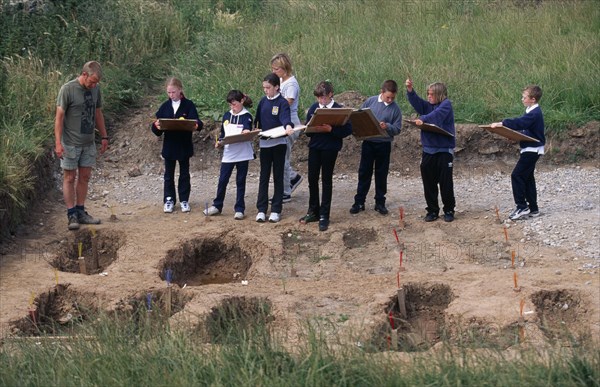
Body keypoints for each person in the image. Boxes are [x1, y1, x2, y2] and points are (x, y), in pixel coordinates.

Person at [54, 61, 109, 230]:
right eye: (91, 81)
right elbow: (59, 117)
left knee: (85, 177)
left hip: (88, 142)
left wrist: (104, 136)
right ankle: (71, 214)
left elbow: (98, 112)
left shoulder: (96, 90)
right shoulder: (67, 89)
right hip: (70, 143)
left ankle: (81, 210)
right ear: (84, 75)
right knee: (69, 177)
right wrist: (58, 143)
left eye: (96, 83)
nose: (93, 85)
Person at [300, 81, 352, 231]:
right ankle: (313, 211)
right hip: (315, 147)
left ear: (330, 95)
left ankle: (324, 215)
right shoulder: (314, 108)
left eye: (324, 98)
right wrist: (311, 127)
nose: (321, 101)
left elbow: (347, 130)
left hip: (330, 148)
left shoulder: (339, 109)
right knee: (312, 178)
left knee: (326, 180)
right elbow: (307, 132)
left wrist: (331, 129)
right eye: (319, 98)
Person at [490, 85, 545, 220]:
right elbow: (527, 130)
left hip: (532, 150)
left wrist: (503, 123)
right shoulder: (530, 111)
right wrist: (515, 136)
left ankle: (522, 207)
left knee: (517, 175)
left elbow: (521, 123)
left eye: (524, 97)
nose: (522, 99)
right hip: (531, 148)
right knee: (527, 178)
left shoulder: (534, 113)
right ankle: (533, 209)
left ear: (532, 99)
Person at [406, 79, 456, 222]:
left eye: (431, 94)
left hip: (444, 151)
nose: (428, 97)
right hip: (428, 151)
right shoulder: (429, 105)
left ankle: (449, 210)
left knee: (445, 182)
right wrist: (410, 91)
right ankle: (432, 210)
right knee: (429, 182)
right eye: (428, 94)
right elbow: (418, 103)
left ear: (439, 95)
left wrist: (423, 119)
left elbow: (437, 116)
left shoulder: (446, 105)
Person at [350, 80, 402, 216]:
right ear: (382, 92)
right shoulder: (370, 102)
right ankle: (359, 202)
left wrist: (388, 127)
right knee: (364, 173)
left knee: (381, 174)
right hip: (368, 143)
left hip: (384, 144)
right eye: (388, 97)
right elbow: (359, 115)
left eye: (392, 97)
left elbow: (397, 129)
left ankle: (380, 203)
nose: (390, 100)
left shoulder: (395, 109)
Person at [151, 77, 202, 213]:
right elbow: (156, 129)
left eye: (173, 92)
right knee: (169, 174)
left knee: (184, 174)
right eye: (169, 93)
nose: (171, 95)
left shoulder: (188, 105)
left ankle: (184, 199)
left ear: (180, 90)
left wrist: (196, 125)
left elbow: (197, 122)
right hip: (169, 145)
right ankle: (169, 200)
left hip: (184, 144)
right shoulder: (165, 106)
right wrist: (156, 126)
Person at [204, 90, 254, 220]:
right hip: (229, 153)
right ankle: (217, 205)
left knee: (240, 181)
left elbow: (248, 127)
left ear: (242, 101)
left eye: (234, 104)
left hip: (242, 154)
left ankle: (239, 208)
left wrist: (247, 131)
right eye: (230, 105)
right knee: (223, 180)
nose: (232, 107)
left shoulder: (247, 115)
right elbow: (222, 133)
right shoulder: (227, 115)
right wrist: (219, 142)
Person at [255, 73, 295, 223]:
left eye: (268, 87)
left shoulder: (282, 102)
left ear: (276, 87)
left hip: (279, 144)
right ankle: (261, 209)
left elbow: (285, 118)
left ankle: (276, 209)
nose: (265, 90)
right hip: (265, 144)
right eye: (264, 87)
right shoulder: (262, 102)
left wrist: (288, 126)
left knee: (278, 176)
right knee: (264, 176)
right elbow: (257, 121)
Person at [270, 53, 303, 202]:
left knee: (282, 157)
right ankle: (292, 178)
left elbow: (285, 104)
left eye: (276, 69)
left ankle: (285, 191)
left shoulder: (291, 84)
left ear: (284, 68)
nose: (273, 72)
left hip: (290, 121)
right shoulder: (282, 82)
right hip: (281, 121)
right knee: (278, 156)